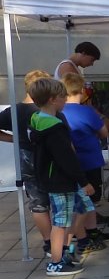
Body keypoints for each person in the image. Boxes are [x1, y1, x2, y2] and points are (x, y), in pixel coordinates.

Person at [28, 77, 95, 276]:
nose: (66, 98)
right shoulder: (54, 128)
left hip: (59, 179)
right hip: (60, 180)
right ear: (51, 99)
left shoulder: (40, 120)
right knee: (60, 222)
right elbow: (66, 158)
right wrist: (84, 181)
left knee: (84, 207)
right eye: (62, 96)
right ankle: (56, 262)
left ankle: (65, 249)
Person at [0, 69, 54, 253]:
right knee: (58, 199)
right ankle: (61, 240)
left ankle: (49, 242)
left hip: (27, 159)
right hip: (50, 159)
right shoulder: (48, 110)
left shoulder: (14, 111)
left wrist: (13, 139)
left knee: (38, 204)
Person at [61, 73, 109, 254]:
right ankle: (89, 233)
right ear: (82, 90)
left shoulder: (59, 113)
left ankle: (84, 233)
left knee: (77, 199)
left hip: (70, 163)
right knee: (89, 200)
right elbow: (104, 133)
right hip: (90, 160)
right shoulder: (86, 111)